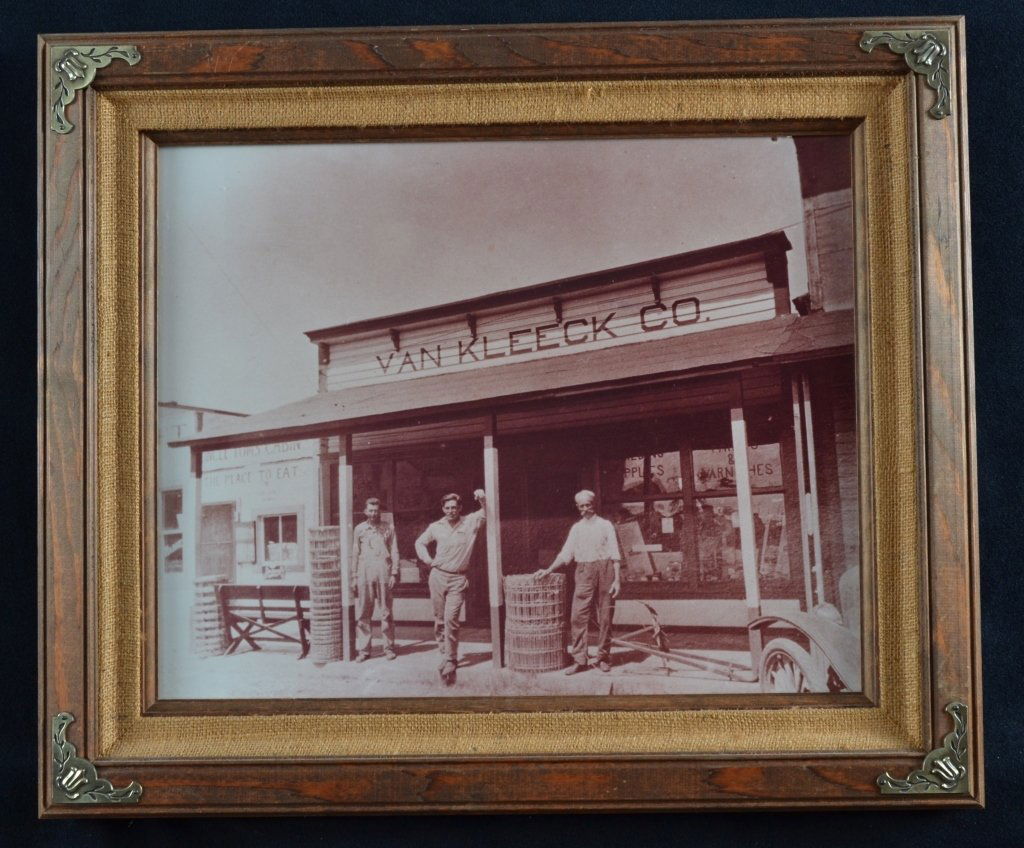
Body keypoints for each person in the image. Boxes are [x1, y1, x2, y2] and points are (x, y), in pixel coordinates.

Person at [534, 489, 621, 675]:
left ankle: (603, 657)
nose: (584, 509)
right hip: (583, 570)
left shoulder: (606, 525)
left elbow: (615, 554)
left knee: (605, 616)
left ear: (594, 504)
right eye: (581, 506)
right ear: (577, 507)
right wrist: (549, 569)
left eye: (587, 505)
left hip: (605, 569)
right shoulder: (577, 528)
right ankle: (580, 659)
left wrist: (617, 581)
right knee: (577, 616)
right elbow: (566, 554)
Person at [415, 489, 486, 686]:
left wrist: (483, 498)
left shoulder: (470, 521)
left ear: (460, 508)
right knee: (439, 620)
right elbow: (419, 543)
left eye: (454, 507)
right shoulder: (436, 526)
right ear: (443, 509)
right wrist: (428, 560)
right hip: (437, 576)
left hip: (458, 578)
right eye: (447, 508)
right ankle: (445, 654)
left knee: (451, 618)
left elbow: (487, 512)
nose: (451, 511)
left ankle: (451, 658)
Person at [351, 497, 401, 662]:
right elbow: (355, 553)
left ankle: (388, 648)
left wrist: (394, 572)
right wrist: (354, 576)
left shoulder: (388, 528)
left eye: (376, 511)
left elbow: (394, 550)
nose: (373, 513)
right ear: (365, 511)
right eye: (370, 510)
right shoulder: (359, 529)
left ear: (380, 512)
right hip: (364, 572)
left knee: (386, 612)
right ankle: (364, 650)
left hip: (383, 571)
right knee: (364, 612)